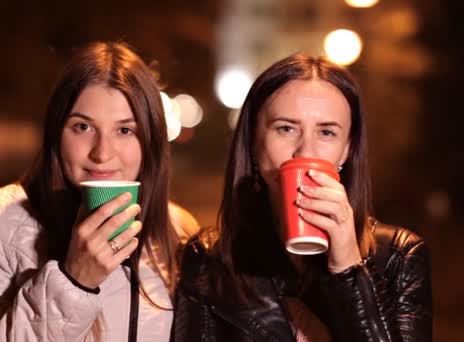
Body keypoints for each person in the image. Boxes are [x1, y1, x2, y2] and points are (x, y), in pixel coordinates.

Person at [0, 41, 199, 342]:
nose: (102, 153)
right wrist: (74, 281)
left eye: (125, 130)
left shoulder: (178, 229)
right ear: (56, 131)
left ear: (150, 144)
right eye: (82, 127)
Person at [173, 53, 432, 341]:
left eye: (327, 132)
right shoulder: (209, 260)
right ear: (253, 143)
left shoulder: (398, 257)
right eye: (286, 128)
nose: (305, 151)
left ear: (347, 150)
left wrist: (347, 268)